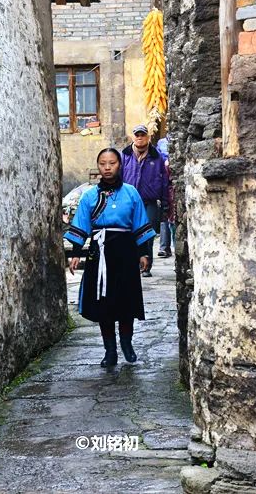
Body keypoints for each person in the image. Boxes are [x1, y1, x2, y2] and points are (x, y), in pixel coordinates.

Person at [65, 148, 156, 367]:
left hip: (125, 251)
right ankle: (110, 351)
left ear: (119, 165)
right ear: (99, 167)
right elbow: (81, 224)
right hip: (100, 253)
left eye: (112, 163)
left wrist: (143, 252)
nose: (107, 168)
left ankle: (127, 343)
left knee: (126, 300)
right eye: (103, 164)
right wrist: (76, 253)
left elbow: (140, 223)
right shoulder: (90, 196)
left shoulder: (131, 193)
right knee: (104, 303)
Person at [121, 125, 170, 277]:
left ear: (148, 137)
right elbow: (119, 177)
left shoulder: (157, 157)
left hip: (150, 201)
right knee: (129, 234)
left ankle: (146, 266)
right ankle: (132, 263)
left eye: (143, 135)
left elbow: (165, 182)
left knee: (147, 235)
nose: (140, 137)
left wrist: (165, 203)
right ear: (133, 137)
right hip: (129, 202)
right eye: (137, 135)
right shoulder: (125, 156)